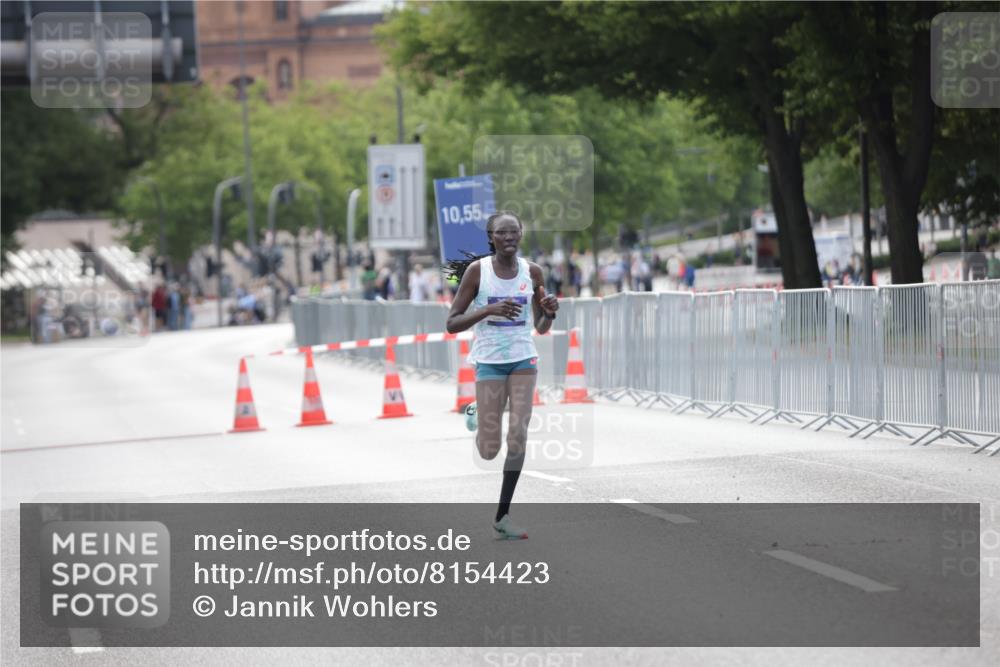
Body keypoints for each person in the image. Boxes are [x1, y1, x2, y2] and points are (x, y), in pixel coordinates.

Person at [444, 211, 559, 540]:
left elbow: (540, 327)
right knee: (489, 450)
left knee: (519, 433)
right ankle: (477, 412)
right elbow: (452, 323)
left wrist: (549, 312)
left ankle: (503, 515)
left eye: (514, 233)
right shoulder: (477, 273)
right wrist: (488, 310)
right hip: (490, 362)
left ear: (521, 235)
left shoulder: (532, 272)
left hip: (524, 359)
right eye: (502, 233)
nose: (509, 238)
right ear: (491, 237)